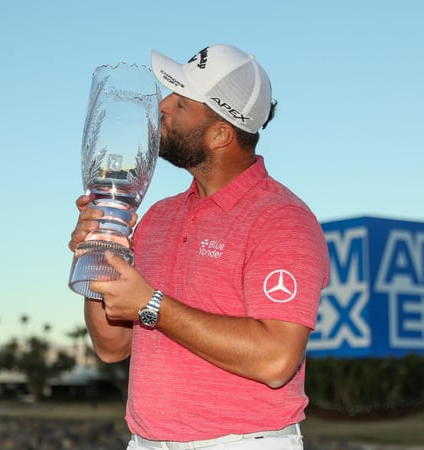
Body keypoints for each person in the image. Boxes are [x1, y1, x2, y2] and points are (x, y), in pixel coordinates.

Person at [69, 44, 329, 450]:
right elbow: (111, 346)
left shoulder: (282, 218)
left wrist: (150, 304)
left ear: (220, 134)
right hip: (146, 442)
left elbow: (276, 359)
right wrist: (97, 251)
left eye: (181, 102)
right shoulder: (156, 217)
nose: (162, 107)